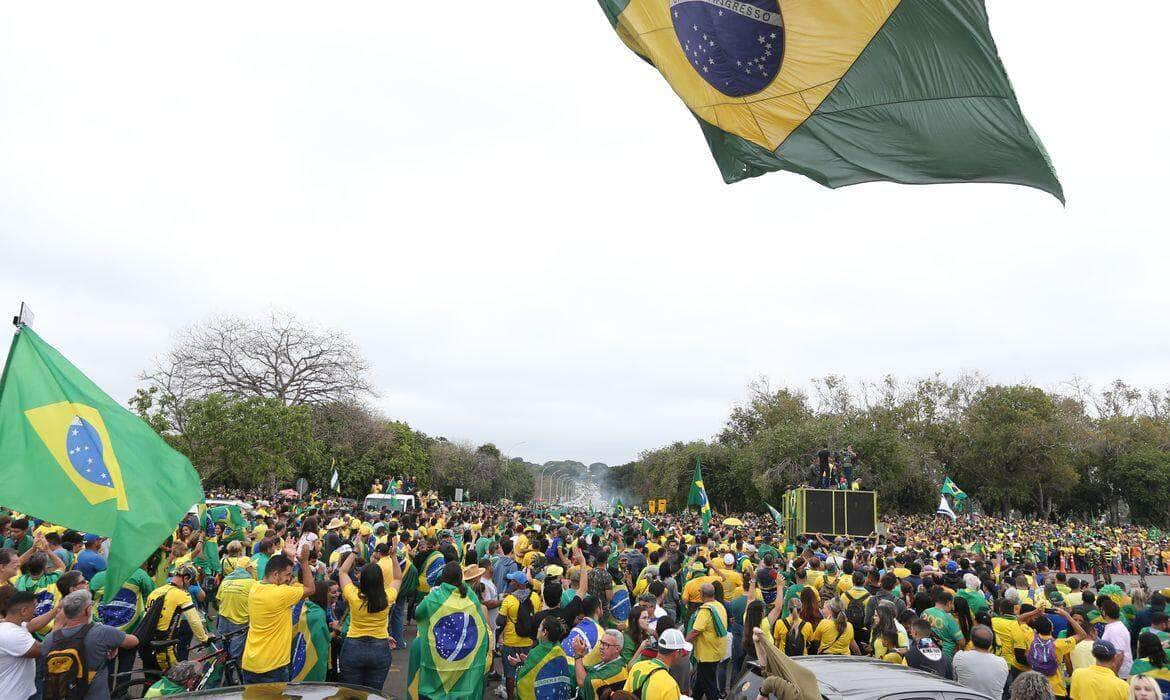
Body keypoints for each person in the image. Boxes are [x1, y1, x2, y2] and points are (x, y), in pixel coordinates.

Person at [40, 589, 140, 700]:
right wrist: (114, 643)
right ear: (87, 610)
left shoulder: (49, 639)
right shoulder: (101, 632)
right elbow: (133, 641)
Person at [240, 541, 315, 684]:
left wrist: (288, 556)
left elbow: (282, 575)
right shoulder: (280, 594)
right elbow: (310, 588)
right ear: (275, 574)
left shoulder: (255, 588)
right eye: (287, 575)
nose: (289, 578)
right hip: (273, 668)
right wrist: (304, 562)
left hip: (250, 663)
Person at [337, 549, 399, 689]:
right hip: (379, 648)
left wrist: (354, 552)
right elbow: (397, 578)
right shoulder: (387, 598)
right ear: (381, 580)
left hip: (353, 647)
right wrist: (393, 557)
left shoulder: (353, 596)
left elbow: (342, 572)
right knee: (374, 693)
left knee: (352, 693)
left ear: (361, 579)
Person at [141, 564, 211, 671]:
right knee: (176, 682)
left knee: (152, 683)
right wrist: (204, 638)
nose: (190, 586)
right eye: (191, 583)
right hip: (163, 648)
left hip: (146, 645)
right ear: (186, 578)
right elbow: (194, 620)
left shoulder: (156, 591)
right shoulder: (181, 595)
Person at [513, 617, 573, 700]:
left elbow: (524, 678)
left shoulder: (536, 652)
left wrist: (519, 664)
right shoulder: (560, 650)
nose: (537, 629)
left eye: (539, 627)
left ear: (544, 632)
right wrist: (527, 660)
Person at [686, 582, 728, 700]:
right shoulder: (719, 606)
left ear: (701, 594)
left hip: (706, 654)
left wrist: (683, 642)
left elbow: (696, 631)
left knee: (709, 684)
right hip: (717, 650)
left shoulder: (705, 610)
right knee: (701, 679)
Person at [624, 627, 691, 699]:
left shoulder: (637, 666)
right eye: (682, 652)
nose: (683, 656)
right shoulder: (670, 685)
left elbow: (625, 695)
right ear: (677, 653)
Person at [0, 589, 42, 699]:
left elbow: (31, 625)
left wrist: (56, 610)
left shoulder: (15, 626)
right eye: (34, 607)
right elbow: (42, 650)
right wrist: (59, 624)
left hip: (23, 692)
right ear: (23, 611)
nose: (36, 611)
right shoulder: (11, 633)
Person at [953, 624, 1009, 698]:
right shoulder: (1002, 663)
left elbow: (954, 679)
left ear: (971, 641)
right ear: (991, 643)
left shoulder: (960, 657)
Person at [573, 628, 628, 700]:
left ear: (617, 649)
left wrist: (578, 655)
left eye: (606, 645)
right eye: (601, 643)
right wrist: (582, 655)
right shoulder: (609, 661)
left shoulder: (617, 669)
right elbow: (587, 671)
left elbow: (583, 682)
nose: (601, 647)